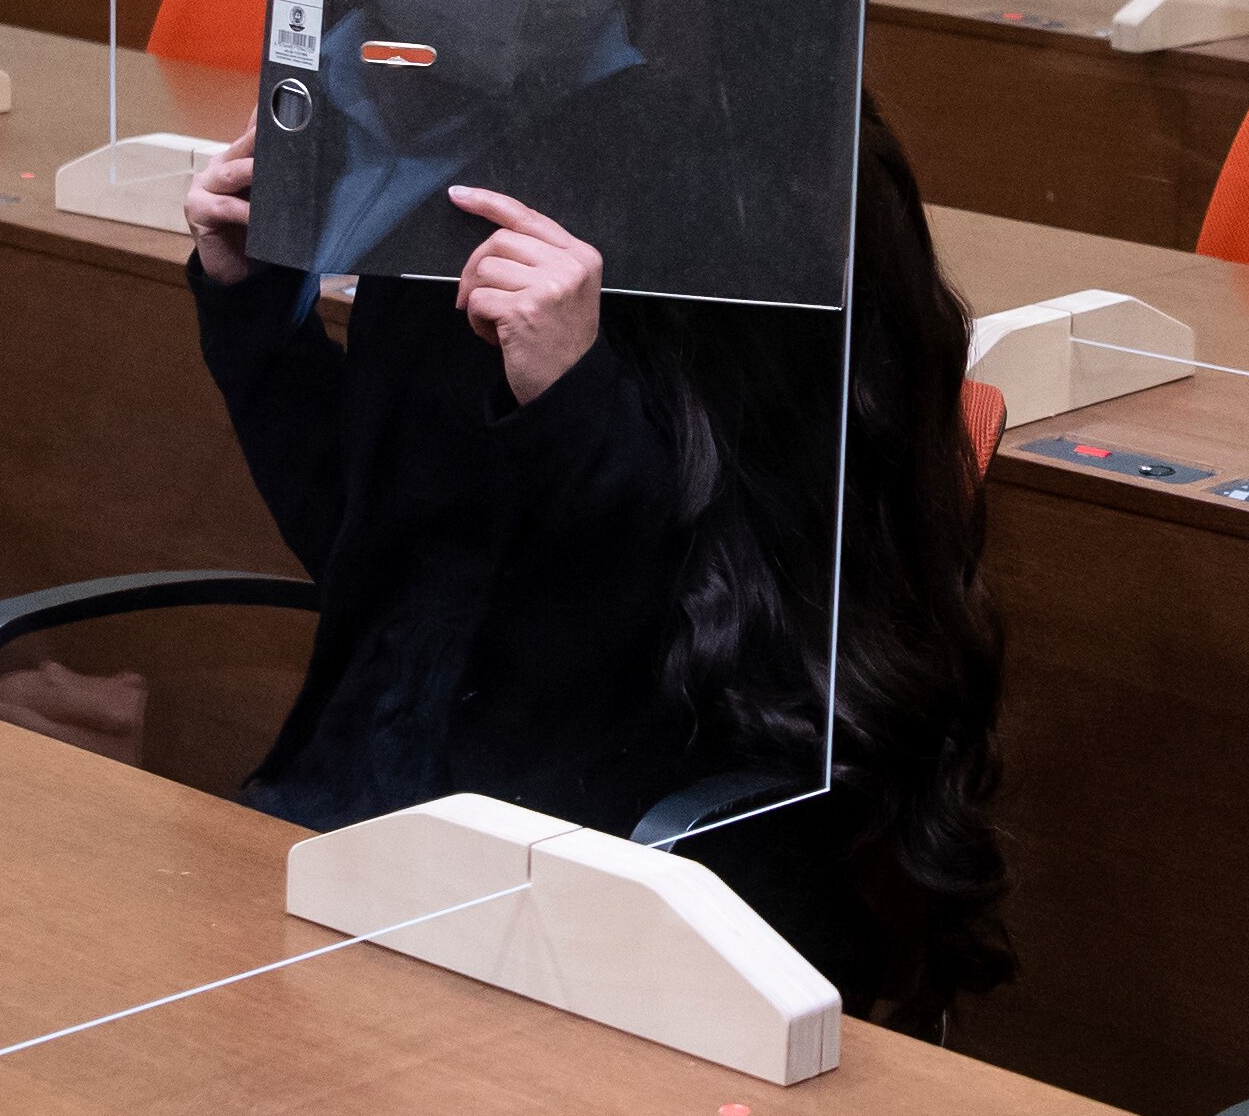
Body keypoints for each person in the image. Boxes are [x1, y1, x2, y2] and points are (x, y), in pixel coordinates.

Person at [180, 102, 1010, 1036]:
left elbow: (765, 627)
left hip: (621, 873)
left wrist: (575, 404)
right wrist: (251, 304)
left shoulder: (776, 165)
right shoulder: (469, 173)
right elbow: (377, 553)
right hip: (370, 825)